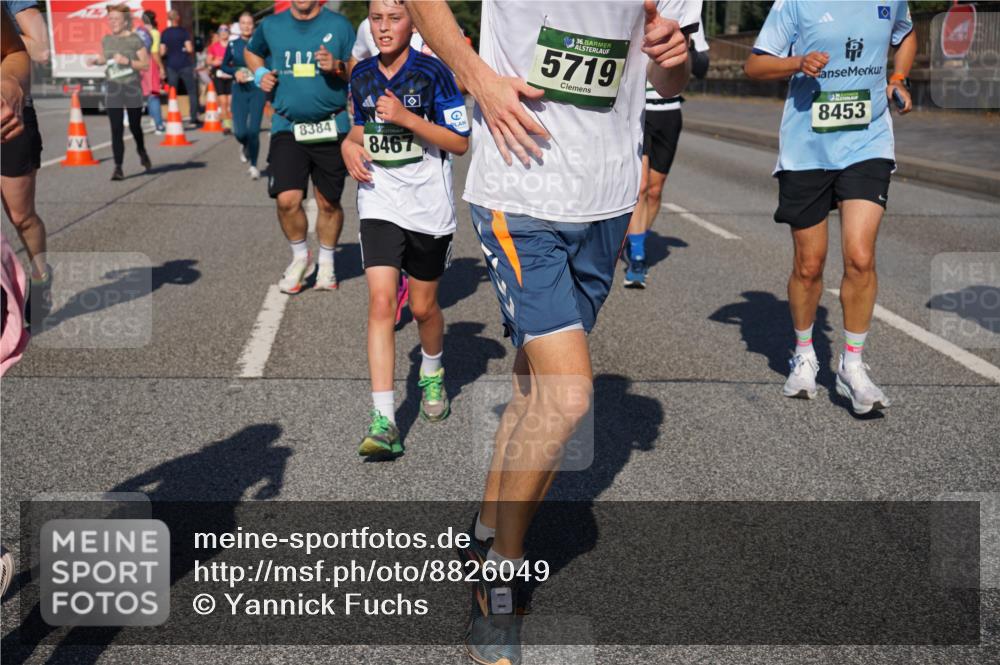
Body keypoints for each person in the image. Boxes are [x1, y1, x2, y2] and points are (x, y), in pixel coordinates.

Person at [408, 1, 698, 663]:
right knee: (567, 397)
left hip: (604, 199)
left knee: (533, 386)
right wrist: (476, 75)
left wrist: (673, 62)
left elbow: (669, 81)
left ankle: (485, 523)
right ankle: (499, 582)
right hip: (520, 191)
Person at [745, 0, 915, 414]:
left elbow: (906, 33)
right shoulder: (796, 3)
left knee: (860, 256)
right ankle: (804, 353)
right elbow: (755, 66)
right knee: (809, 263)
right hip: (807, 149)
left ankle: (852, 365)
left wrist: (898, 76)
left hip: (867, 141)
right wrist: (797, 63)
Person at [343, 0, 470, 458]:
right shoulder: (360, 75)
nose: (383, 28)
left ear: (414, 21)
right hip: (380, 197)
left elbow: (459, 142)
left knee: (422, 307)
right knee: (381, 301)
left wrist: (408, 119)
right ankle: (384, 420)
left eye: (393, 18)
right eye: (376, 18)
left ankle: (432, 369)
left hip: (428, 207)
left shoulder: (434, 73)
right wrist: (346, 146)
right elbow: (359, 130)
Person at [244, 0, 355, 294]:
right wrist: (259, 74)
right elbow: (252, 52)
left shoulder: (339, 26)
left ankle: (327, 263)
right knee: (286, 200)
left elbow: (359, 69)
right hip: (287, 126)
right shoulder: (271, 26)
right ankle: (299, 257)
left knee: (328, 202)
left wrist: (337, 66)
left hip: (331, 126)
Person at [624, 21, 709, 288]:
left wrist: (686, 43)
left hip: (669, 113)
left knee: (656, 190)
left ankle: (637, 238)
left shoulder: (683, 10)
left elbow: (702, 67)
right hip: (638, 110)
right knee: (642, 185)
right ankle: (637, 256)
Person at [1, 0, 50, 327]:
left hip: (9, 116)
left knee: (21, 217)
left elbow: (38, 50)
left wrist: (8, 82)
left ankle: (41, 277)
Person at [87, 3, 151, 181]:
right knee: (116, 129)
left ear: (125, 21)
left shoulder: (135, 40)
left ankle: (141, 150)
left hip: (132, 87)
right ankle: (118, 168)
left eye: (116, 19)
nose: (112, 21)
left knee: (134, 126)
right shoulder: (107, 39)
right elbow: (105, 58)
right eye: (110, 18)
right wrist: (95, 61)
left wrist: (127, 61)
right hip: (113, 87)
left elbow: (145, 64)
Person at [222, 12, 266, 179]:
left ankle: (254, 166)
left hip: (257, 90)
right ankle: (244, 144)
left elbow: (269, 62)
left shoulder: (261, 44)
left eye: (249, 23)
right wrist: (235, 72)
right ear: (239, 25)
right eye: (243, 23)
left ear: (253, 25)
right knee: (240, 132)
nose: (247, 26)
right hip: (239, 91)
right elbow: (224, 65)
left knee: (254, 130)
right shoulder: (233, 44)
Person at [160, 9, 199, 127]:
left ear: (169, 19)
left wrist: (168, 52)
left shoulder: (165, 33)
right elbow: (190, 49)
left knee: (172, 93)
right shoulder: (183, 32)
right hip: (184, 64)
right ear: (178, 18)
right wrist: (183, 49)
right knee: (192, 92)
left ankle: (173, 116)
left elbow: (162, 52)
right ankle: (193, 118)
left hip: (171, 65)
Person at [141, 10, 165, 134]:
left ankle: (151, 118)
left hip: (137, 64)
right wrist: (161, 67)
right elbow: (155, 53)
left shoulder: (138, 31)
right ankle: (159, 125)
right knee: (154, 95)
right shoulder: (154, 33)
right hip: (149, 65)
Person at [207, 24, 233, 133]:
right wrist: (214, 62)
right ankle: (227, 125)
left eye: (226, 30)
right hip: (219, 76)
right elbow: (208, 61)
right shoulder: (214, 47)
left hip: (231, 75)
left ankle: (233, 122)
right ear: (219, 33)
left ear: (228, 33)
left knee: (231, 102)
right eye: (221, 31)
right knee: (223, 102)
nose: (223, 32)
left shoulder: (232, 46)